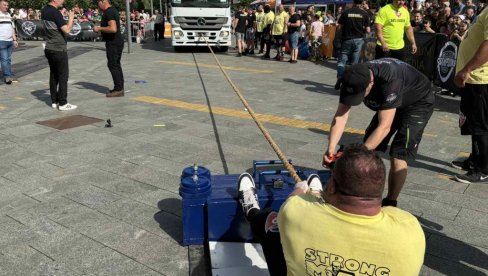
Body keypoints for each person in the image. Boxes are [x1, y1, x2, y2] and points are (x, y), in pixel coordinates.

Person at [238, 144, 426, 275]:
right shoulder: (411, 229)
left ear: (332, 186)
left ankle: (252, 211)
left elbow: (294, 201)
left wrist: (303, 190)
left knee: (275, 225)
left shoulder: (296, 212)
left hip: (305, 207)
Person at [325, 58, 434, 207]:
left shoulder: (390, 80)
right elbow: (341, 116)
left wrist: (356, 156)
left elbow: (384, 127)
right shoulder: (352, 77)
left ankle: (390, 202)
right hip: (391, 101)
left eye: (360, 94)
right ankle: (362, 190)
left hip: (417, 102)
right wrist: (331, 148)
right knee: (370, 145)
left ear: (370, 83)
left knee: (398, 154)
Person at [452, 7, 488, 183]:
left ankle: (483, 168)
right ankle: (475, 159)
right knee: (472, 123)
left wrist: (467, 69)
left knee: (480, 126)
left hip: (480, 78)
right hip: (474, 78)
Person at [41, 0, 77, 111]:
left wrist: (61, 17)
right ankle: (63, 103)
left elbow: (54, 25)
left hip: (49, 47)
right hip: (58, 48)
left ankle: (54, 101)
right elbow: (66, 30)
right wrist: (71, 18)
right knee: (63, 76)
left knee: (53, 75)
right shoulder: (55, 12)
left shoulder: (45, 10)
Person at [335, 0, 370, 90]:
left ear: (353, 2)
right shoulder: (364, 13)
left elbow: (339, 27)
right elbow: (368, 30)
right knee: (354, 63)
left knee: (342, 60)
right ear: (361, 2)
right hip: (358, 40)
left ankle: (340, 77)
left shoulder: (346, 12)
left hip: (346, 39)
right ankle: (350, 83)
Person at [94, 0, 125, 97]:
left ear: (103, 1)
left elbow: (113, 29)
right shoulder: (111, 11)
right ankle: (119, 87)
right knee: (116, 64)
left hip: (114, 43)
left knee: (113, 65)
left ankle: (119, 89)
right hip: (116, 42)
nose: (98, 6)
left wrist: (99, 28)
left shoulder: (109, 12)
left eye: (98, 3)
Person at [0, 0, 18, 85]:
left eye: (7, 5)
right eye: (4, 5)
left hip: (9, 41)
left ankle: (9, 74)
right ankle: (7, 76)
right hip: (1, 41)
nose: (6, 7)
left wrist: (14, 40)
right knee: (4, 59)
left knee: (8, 59)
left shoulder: (8, 15)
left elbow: (12, 28)